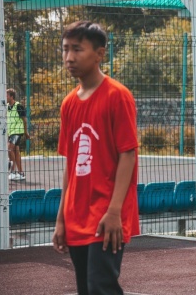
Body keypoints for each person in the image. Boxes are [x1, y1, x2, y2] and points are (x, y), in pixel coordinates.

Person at [52, 21, 140, 295]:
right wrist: (61, 218)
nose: (69, 57)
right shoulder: (68, 103)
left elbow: (128, 154)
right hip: (76, 214)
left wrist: (114, 212)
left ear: (99, 54)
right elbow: (70, 165)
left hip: (107, 214)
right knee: (86, 289)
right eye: (65, 49)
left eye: (77, 49)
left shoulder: (118, 96)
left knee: (101, 286)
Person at [7, 88, 29, 181]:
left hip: (17, 131)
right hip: (11, 132)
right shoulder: (6, 107)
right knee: (16, 151)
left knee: (9, 149)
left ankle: (12, 171)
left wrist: (26, 132)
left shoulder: (18, 106)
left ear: (11, 97)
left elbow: (25, 120)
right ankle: (21, 173)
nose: (5, 97)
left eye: (7, 95)